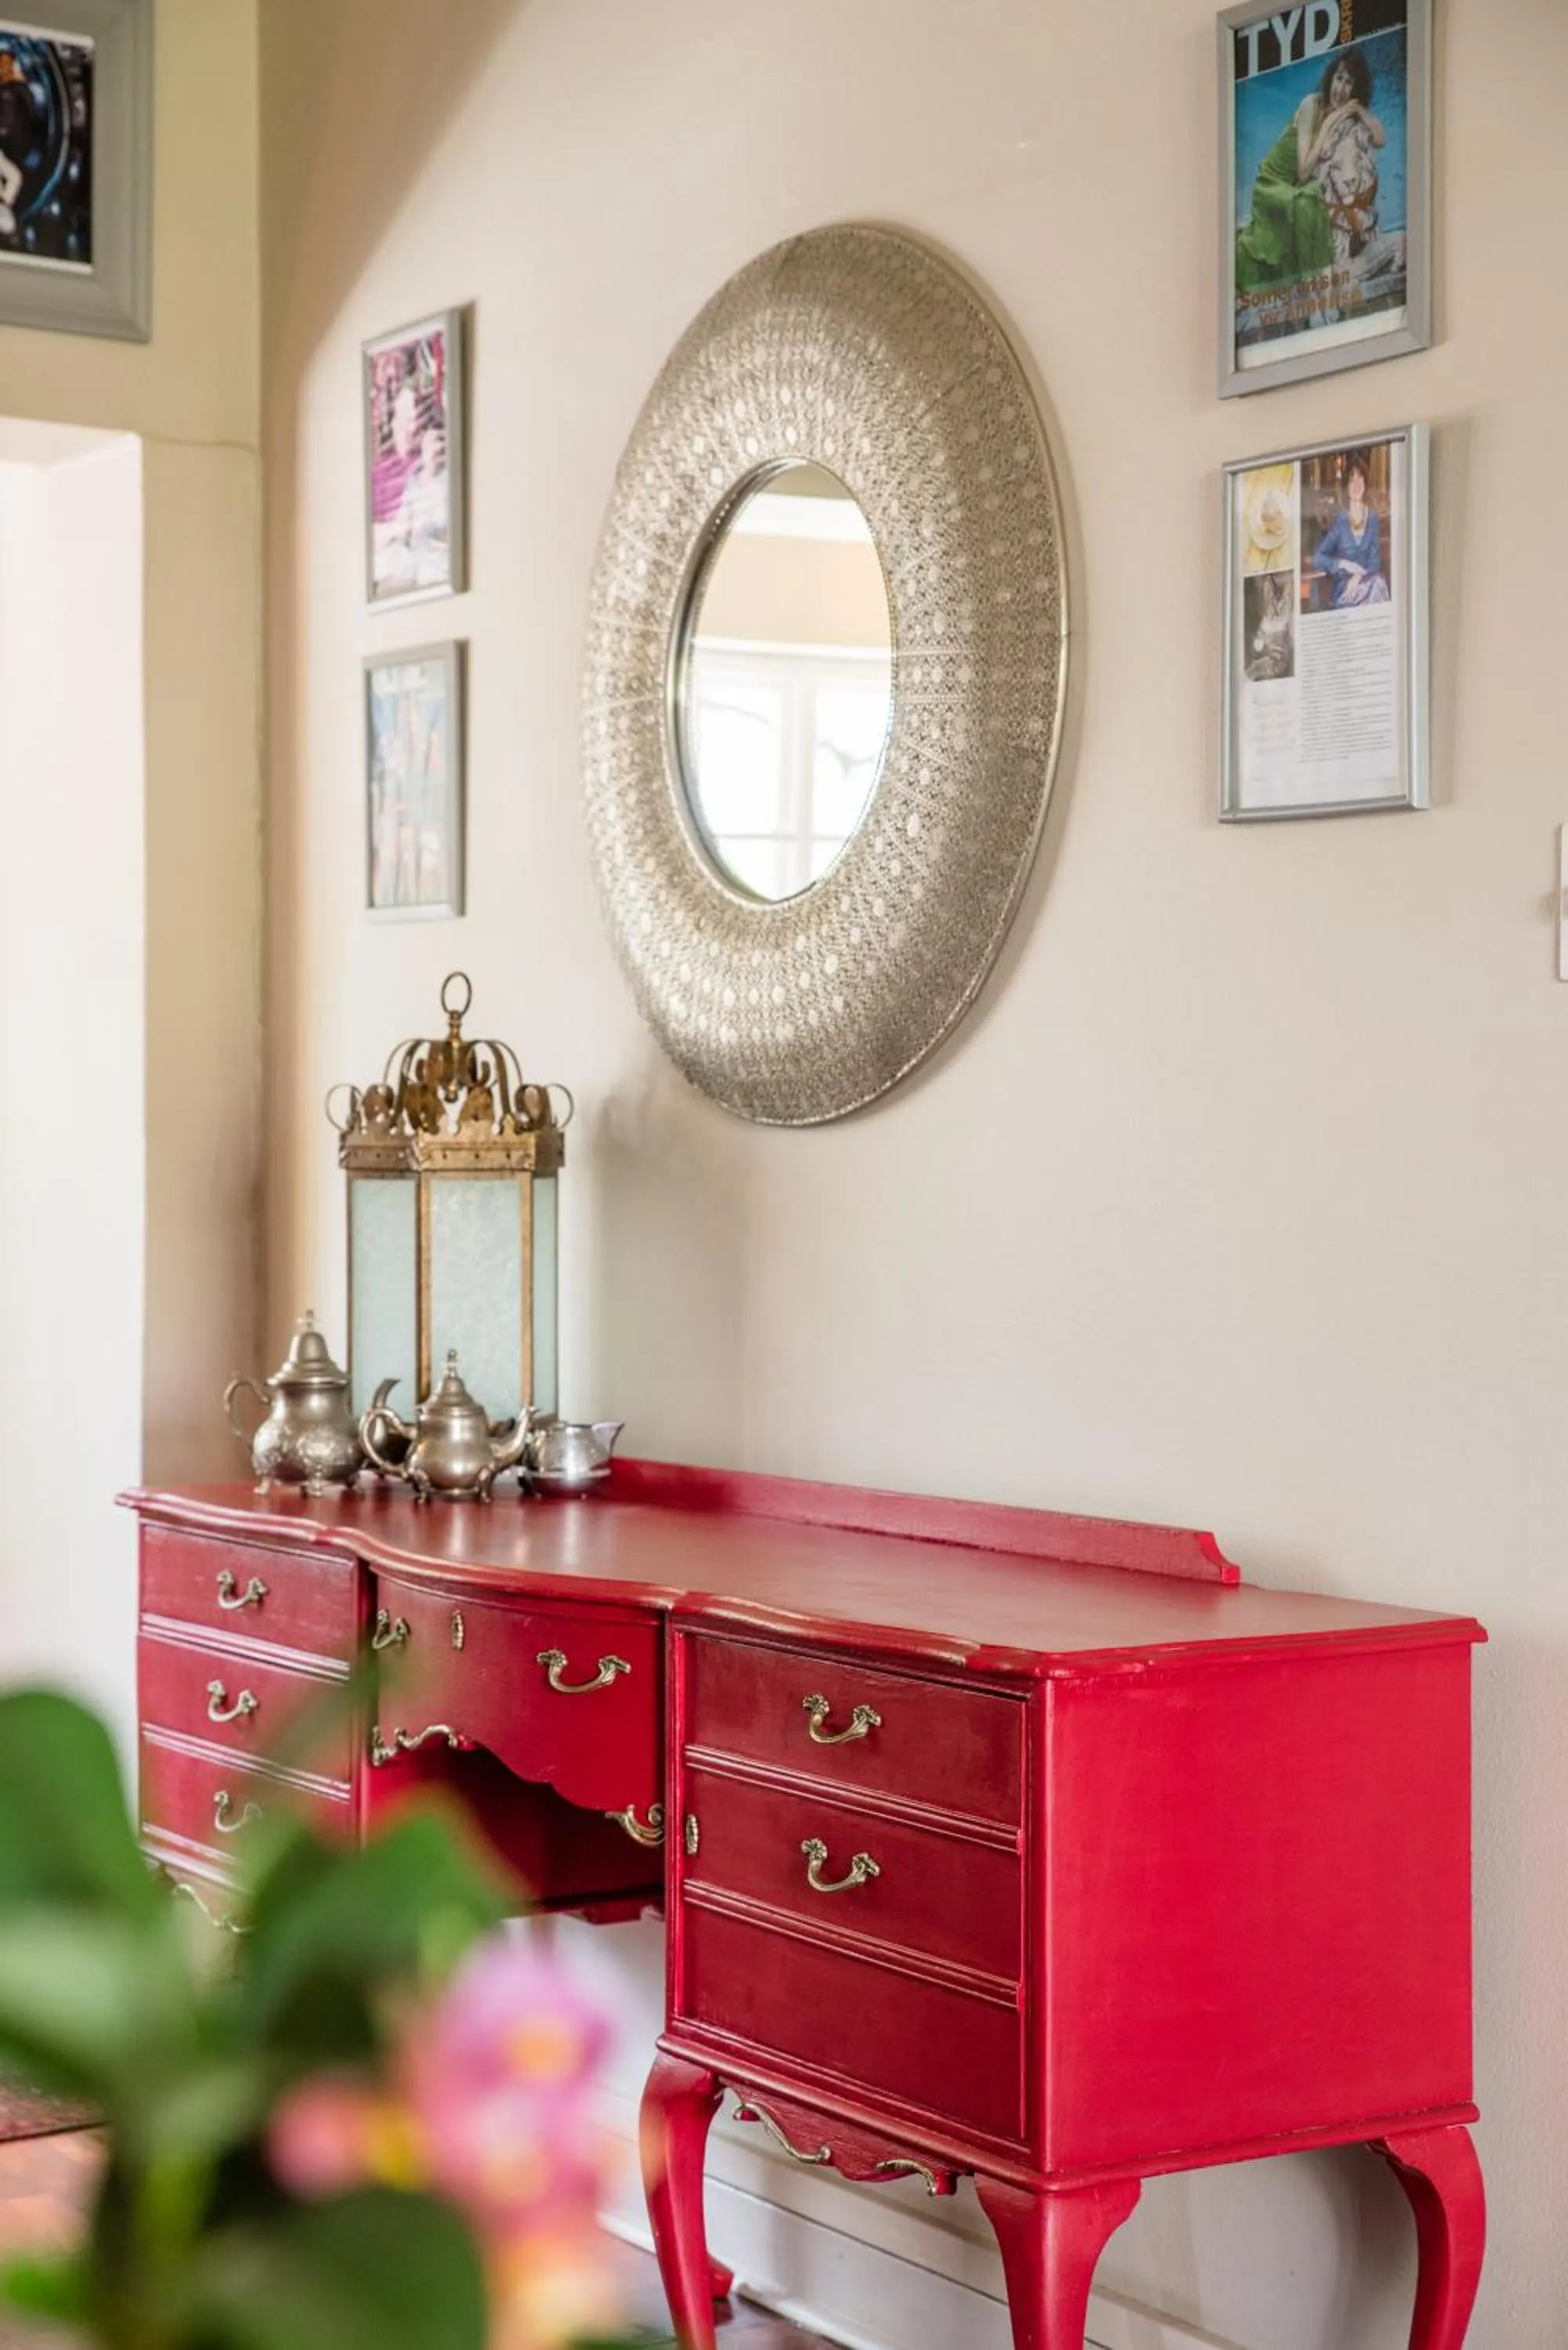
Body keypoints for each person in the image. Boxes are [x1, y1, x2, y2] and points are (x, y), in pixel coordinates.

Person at [1234, 42, 1382, 297]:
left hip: (1297, 187)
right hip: (1273, 183)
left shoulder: (1345, 114)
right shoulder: (1311, 105)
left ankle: (1324, 283)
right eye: (1339, 78)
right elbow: (1303, 171)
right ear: (1331, 77)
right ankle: (1314, 291)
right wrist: (1328, 125)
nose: (1341, 89)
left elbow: (1379, 139)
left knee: (1318, 202)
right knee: (1310, 200)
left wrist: (1359, 110)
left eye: (1349, 83)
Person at [1312, 452, 1389, 609]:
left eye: (1360, 478)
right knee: (1379, 584)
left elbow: (1374, 562)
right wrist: (1343, 564)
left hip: (1369, 584)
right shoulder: (1340, 521)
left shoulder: (1372, 518)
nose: (1356, 484)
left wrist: (1358, 576)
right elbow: (1318, 559)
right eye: (1351, 480)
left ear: (1366, 483)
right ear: (1346, 487)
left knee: (1378, 583)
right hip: (1345, 591)